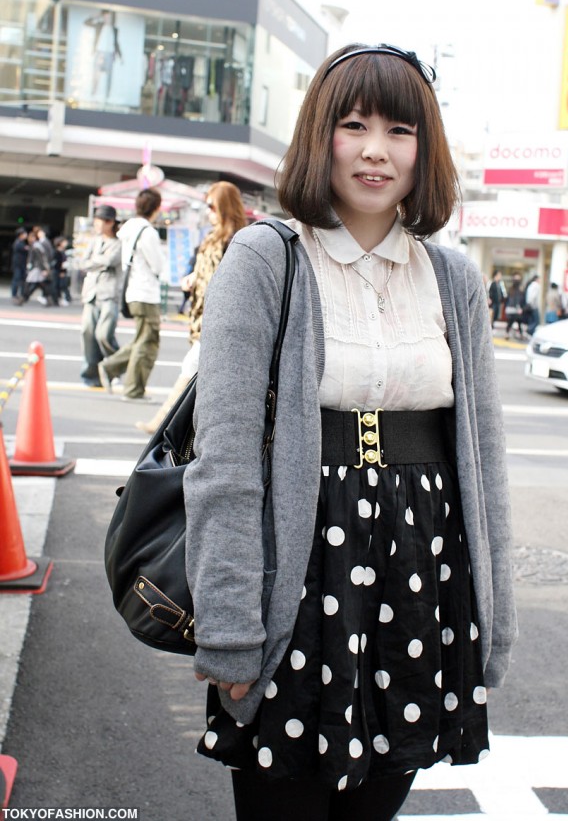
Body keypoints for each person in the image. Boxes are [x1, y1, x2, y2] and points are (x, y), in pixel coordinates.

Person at [182, 43, 517, 821]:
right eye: (354, 123)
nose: (375, 149)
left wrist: (493, 623)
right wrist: (231, 627)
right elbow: (225, 457)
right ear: (318, 135)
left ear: (424, 149)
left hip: (421, 574)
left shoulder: (453, 275)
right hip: (297, 577)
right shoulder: (268, 258)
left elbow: (485, 460)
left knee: (376, 808)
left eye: (400, 130)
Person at [135, 181, 248, 435]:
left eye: (211, 205)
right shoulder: (213, 236)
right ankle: (193, 430)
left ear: (224, 206)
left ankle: (162, 425)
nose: (207, 211)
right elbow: (205, 270)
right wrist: (193, 277)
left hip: (221, 317)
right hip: (202, 315)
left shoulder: (237, 238)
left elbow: (233, 278)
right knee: (207, 378)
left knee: (191, 368)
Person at [98, 188, 165, 401]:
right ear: (156, 208)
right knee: (148, 342)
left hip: (132, 291)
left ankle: (110, 368)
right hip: (146, 292)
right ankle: (133, 389)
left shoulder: (128, 229)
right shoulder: (148, 232)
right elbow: (157, 264)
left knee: (141, 338)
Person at [80, 205, 122, 388]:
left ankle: (114, 368)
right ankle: (91, 376)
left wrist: (94, 262)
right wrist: (99, 263)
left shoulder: (119, 243)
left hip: (109, 294)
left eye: (100, 220)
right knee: (87, 332)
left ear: (110, 222)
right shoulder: (94, 241)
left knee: (104, 335)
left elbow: (110, 261)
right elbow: (84, 263)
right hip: (91, 293)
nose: (96, 224)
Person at [22, 226, 52, 306]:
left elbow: (42, 258)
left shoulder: (40, 245)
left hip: (38, 268)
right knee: (39, 284)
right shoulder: (38, 244)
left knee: (32, 283)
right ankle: (24, 298)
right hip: (38, 267)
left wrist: (44, 269)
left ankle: (24, 298)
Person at [504, 273, 526, 340]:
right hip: (511, 308)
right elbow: (508, 299)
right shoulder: (511, 289)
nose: (517, 280)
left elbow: (522, 299)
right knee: (510, 322)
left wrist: (521, 308)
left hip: (517, 308)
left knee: (519, 322)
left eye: (518, 279)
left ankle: (520, 334)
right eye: (516, 279)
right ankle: (507, 333)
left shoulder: (521, 289)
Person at [10, 229, 28, 304]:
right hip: (18, 265)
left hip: (21, 265)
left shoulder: (21, 242)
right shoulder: (18, 243)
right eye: (24, 234)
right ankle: (14, 295)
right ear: (21, 235)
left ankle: (20, 294)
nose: (26, 235)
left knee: (21, 280)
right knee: (17, 280)